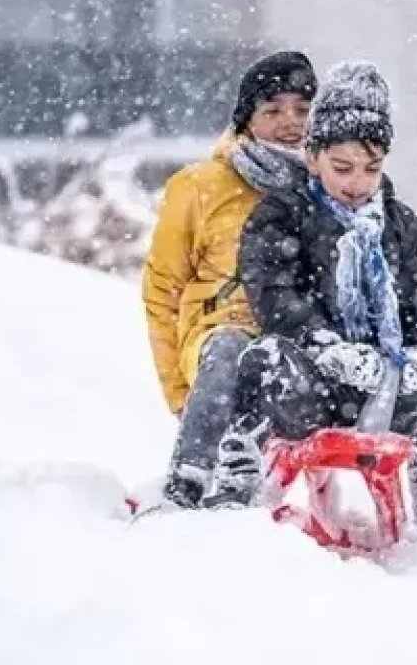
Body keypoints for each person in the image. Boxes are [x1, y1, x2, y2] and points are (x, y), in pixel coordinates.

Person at [214, 61, 417, 526]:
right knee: (260, 357)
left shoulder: (400, 225)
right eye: (342, 167)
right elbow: (273, 294)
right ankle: (236, 484)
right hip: (320, 390)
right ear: (312, 158)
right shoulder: (281, 216)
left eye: (371, 168)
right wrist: (327, 346)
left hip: (397, 389)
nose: (357, 183)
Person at [141, 50, 316, 509]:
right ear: (245, 119)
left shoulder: (331, 183)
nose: (289, 122)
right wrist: (181, 394)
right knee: (231, 349)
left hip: (295, 339)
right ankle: (188, 483)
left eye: (302, 109)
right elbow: (162, 291)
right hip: (218, 339)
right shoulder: (200, 186)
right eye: (272, 110)